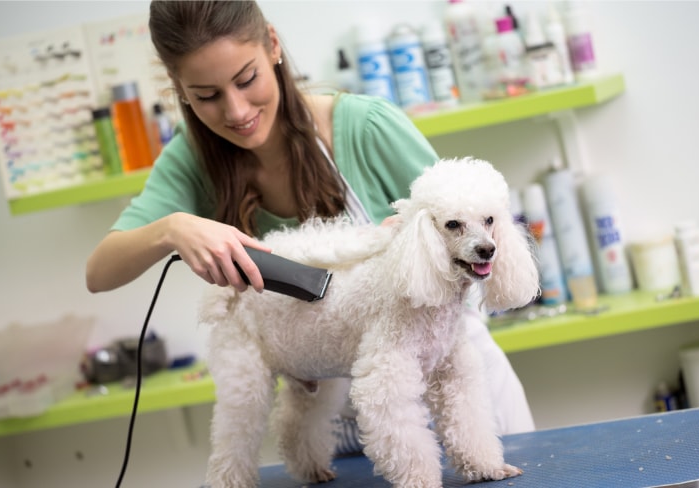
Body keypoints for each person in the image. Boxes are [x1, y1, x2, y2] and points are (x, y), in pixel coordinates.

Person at [86, 0, 534, 436]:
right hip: (335, 416)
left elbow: (472, 227)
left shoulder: (365, 126)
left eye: (247, 79)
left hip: (452, 388)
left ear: (273, 46)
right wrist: (172, 228)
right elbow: (100, 272)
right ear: (178, 88)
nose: (237, 111)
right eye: (207, 96)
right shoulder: (191, 160)